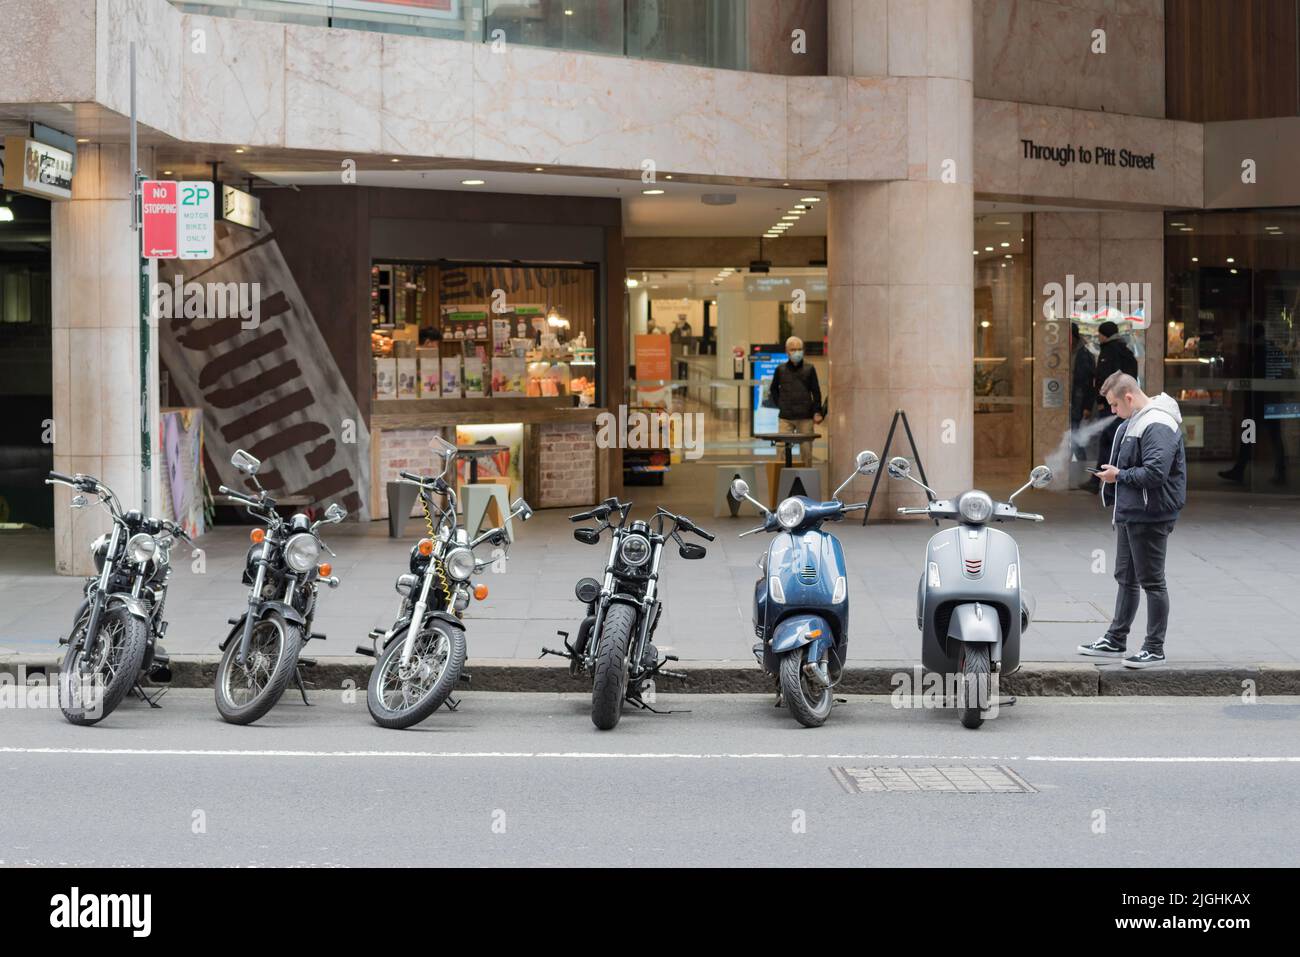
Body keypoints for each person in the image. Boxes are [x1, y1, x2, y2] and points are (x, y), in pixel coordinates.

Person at [1078, 372, 1187, 668]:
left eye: (1114, 405)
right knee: (1126, 578)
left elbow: (1155, 473)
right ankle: (1116, 640)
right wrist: (1116, 475)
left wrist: (1118, 476)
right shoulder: (1137, 419)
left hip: (1150, 515)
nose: (1112, 411)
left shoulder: (1157, 423)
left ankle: (1154, 648)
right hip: (1132, 512)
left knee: (1152, 581)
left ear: (1128, 397)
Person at [1080, 321, 1138, 491]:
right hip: (1121, 405)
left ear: (1104, 335)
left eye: (1099, 334)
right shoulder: (1125, 350)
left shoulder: (1109, 351)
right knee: (1109, 442)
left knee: (1113, 443)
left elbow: (1104, 381)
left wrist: (1101, 401)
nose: (1098, 337)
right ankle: (1097, 480)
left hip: (1111, 406)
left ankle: (1112, 481)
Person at [767, 336, 823, 465]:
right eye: (793, 349)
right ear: (787, 351)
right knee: (781, 450)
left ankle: (807, 480)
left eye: (799, 349)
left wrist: (817, 411)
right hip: (786, 417)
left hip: (805, 417)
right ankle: (781, 479)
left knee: (806, 451)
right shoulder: (780, 370)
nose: (797, 352)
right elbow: (773, 389)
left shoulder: (809, 368)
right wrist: (780, 405)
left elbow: (816, 391)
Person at [1069, 323, 1095, 459]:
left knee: (1075, 436)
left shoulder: (1084, 356)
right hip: (1069, 403)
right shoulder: (1066, 354)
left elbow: (1089, 384)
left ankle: (1082, 467)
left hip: (1077, 404)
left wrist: (1087, 406)